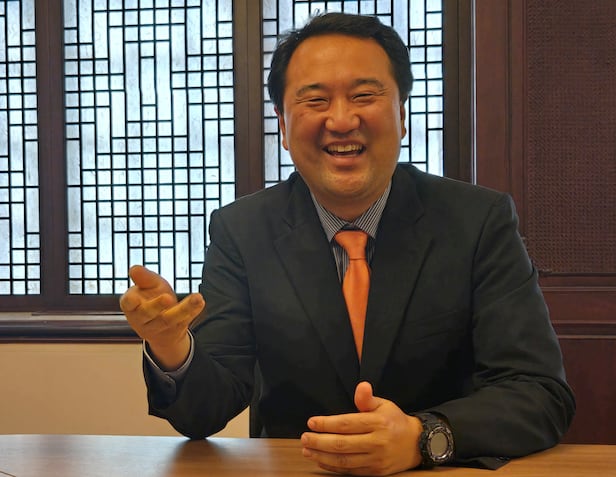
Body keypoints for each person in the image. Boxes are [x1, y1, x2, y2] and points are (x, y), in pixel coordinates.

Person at [120, 12, 575, 476]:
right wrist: (172, 346)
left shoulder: (477, 221)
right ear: (282, 125)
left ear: (401, 114)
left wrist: (422, 437)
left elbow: (538, 392)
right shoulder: (242, 230)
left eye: (364, 96)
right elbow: (203, 414)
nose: (341, 120)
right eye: (315, 100)